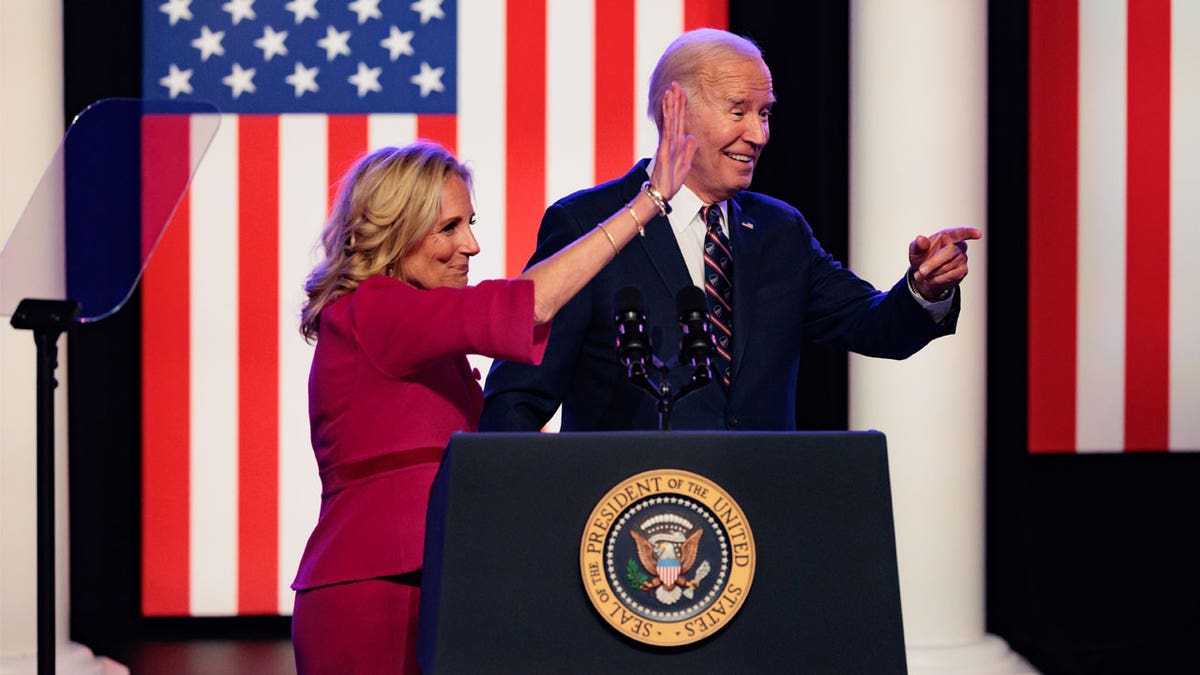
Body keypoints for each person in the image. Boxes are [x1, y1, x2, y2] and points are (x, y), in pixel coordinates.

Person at [289, 86, 695, 673]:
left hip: (439, 584)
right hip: (377, 595)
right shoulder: (372, 311)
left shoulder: (426, 347)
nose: (471, 246)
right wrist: (649, 202)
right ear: (396, 232)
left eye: (470, 224)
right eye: (448, 228)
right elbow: (530, 305)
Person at [479, 28, 981, 433]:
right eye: (738, 111)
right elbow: (519, 396)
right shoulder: (587, 225)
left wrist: (923, 290)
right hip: (627, 528)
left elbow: (874, 324)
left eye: (764, 114)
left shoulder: (779, 230)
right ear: (676, 108)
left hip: (755, 524)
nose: (758, 135)